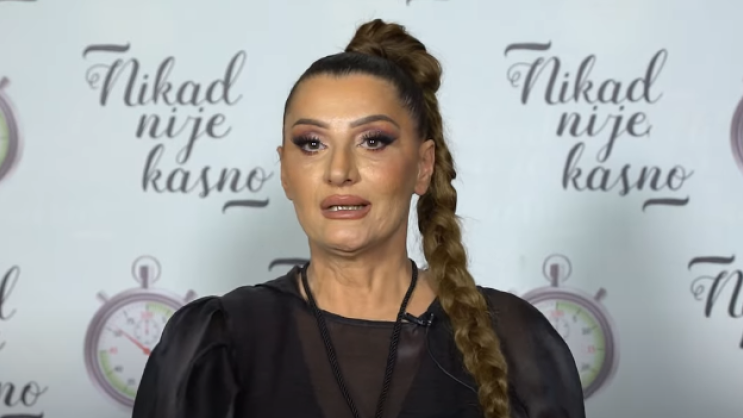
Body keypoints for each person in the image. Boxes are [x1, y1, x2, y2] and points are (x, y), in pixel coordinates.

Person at [131, 19, 585, 418]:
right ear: (285, 172)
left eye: (372, 141)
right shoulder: (219, 342)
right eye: (312, 143)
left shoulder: (516, 342)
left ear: (423, 166)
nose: (339, 171)